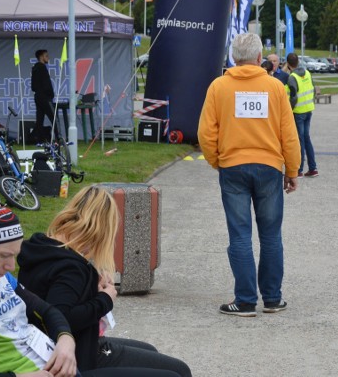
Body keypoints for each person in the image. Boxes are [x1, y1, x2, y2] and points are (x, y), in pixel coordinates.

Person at [17, 186, 191, 376]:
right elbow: (62, 317)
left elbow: (56, 295)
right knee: (178, 371)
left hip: (62, 346)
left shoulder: (43, 248)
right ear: (101, 229)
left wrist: (91, 283)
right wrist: (104, 299)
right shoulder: (71, 268)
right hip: (78, 356)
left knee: (149, 350)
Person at [198, 33, 301, 317]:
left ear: (233, 58)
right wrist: (292, 170)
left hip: (232, 167)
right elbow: (288, 135)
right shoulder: (275, 87)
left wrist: (217, 161)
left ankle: (244, 300)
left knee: (240, 235)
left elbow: (206, 133)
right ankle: (272, 298)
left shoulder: (219, 87)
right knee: (270, 235)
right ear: (259, 59)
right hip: (269, 167)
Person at [0, 205, 79, 377]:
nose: (11, 266)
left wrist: (66, 339)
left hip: (50, 361)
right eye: (4, 256)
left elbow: (44, 310)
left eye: (14, 255)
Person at [286, 53, 319, 178]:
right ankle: (313, 168)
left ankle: (299, 170)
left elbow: (293, 96)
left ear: (288, 64)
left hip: (298, 112)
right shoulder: (307, 73)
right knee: (306, 138)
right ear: (298, 62)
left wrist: (290, 109)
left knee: (300, 140)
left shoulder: (292, 77)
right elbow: (313, 89)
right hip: (308, 109)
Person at [31, 49, 56, 143]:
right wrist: (51, 94)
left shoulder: (34, 68)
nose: (48, 57)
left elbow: (33, 86)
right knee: (54, 118)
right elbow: (47, 84)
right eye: (46, 56)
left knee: (39, 119)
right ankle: (59, 139)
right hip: (45, 97)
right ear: (41, 57)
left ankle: (38, 139)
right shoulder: (42, 67)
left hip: (37, 96)